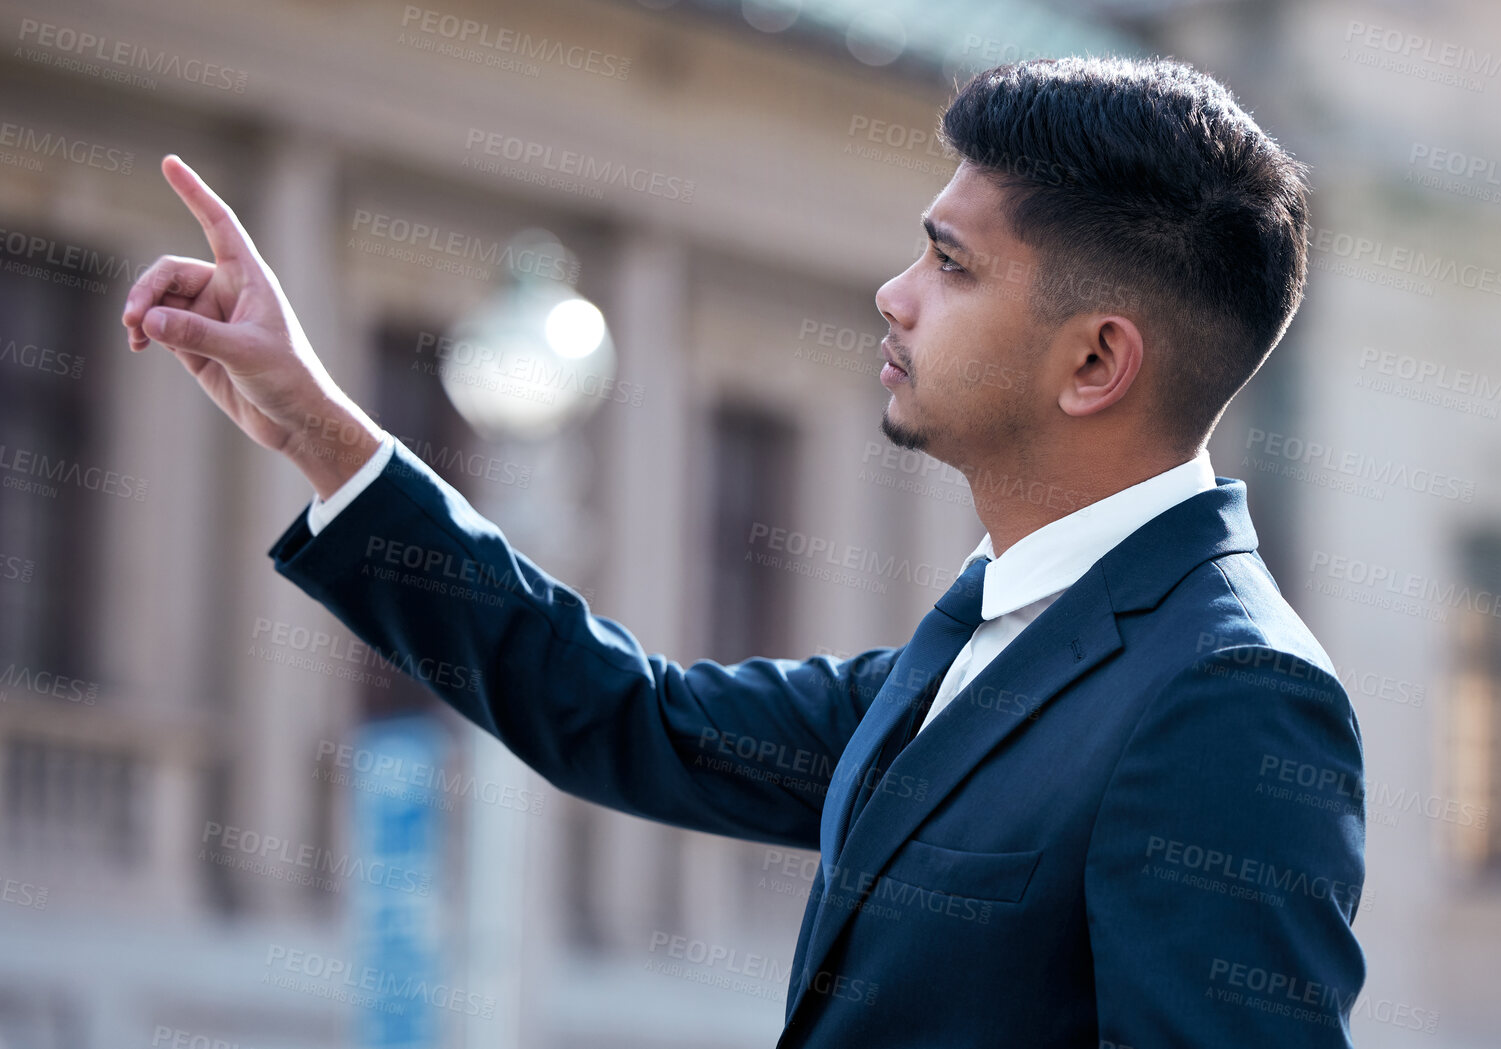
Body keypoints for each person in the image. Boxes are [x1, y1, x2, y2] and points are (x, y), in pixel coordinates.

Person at [124, 55, 1367, 1049]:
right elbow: (629, 716)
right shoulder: (987, 634)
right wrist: (320, 432)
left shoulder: (1230, 700)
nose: (895, 293)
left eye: (949, 264)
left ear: (1095, 360)